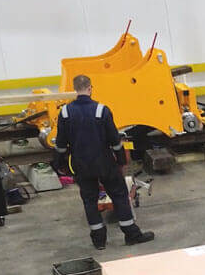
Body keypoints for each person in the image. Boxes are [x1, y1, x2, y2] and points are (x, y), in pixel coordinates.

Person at [53, 74, 155, 249]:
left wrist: (59, 163)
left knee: (89, 201)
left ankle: (99, 241)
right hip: (105, 163)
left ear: (74, 90)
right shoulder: (102, 110)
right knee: (119, 196)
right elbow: (115, 141)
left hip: (81, 165)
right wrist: (121, 159)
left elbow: (61, 143)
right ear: (90, 88)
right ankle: (131, 234)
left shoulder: (64, 112)